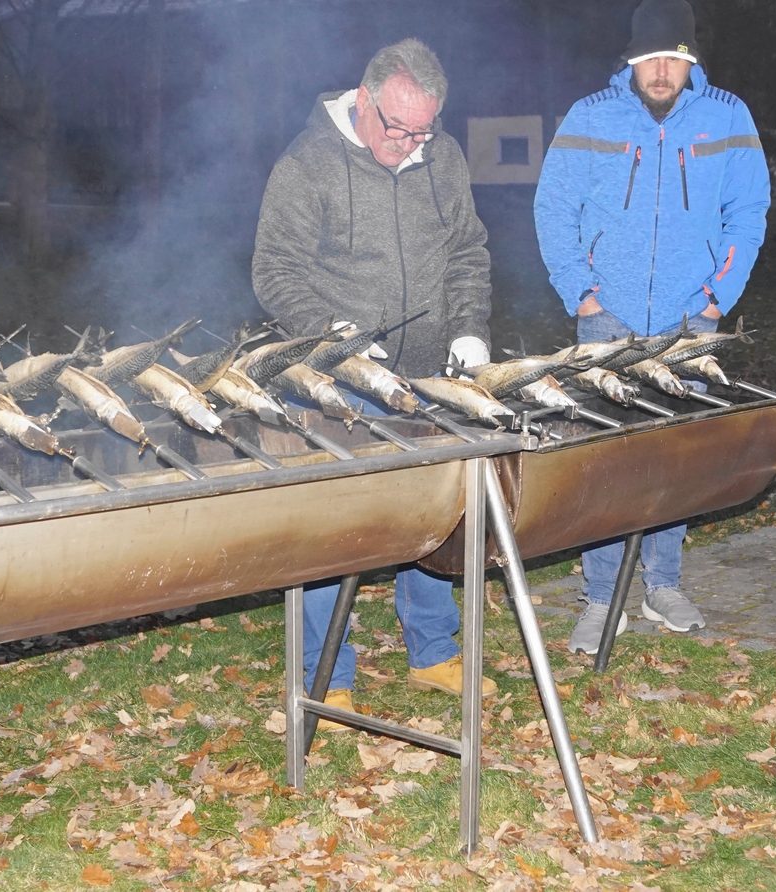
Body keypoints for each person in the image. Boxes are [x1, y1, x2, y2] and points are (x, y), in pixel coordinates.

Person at [252, 38, 497, 726]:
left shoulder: (439, 157)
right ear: (364, 101)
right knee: (339, 527)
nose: (409, 144)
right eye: (397, 128)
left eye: (423, 130)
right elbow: (274, 270)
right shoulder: (307, 166)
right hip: (339, 378)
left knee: (429, 510)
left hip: (429, 373)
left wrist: (469, 330)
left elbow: (468, 252)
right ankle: (326, 672)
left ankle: (433, 652)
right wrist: (337, 338)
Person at [533, 0, 771, 655]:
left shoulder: (727, 116)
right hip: (604, 324)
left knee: (673, 460)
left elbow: (747, 212)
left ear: (690, 59)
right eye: (649, 59)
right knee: (608, 462)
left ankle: (663, 583)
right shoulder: (589, 117)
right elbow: (554, 208)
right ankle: (601, 597)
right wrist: (581, 295)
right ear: (630, 61)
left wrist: (715, 300)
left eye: (674, 57)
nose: (661, 70)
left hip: (687, 326)